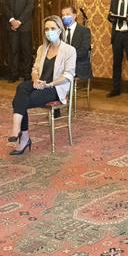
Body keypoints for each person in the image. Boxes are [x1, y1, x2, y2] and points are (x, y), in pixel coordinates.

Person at [8, 16, 76, 156]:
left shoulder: (69, 50)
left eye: (52, 28)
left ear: (60, 30)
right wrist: (35, 81)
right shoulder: (42, 49)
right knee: (21, 88)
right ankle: (18, 130)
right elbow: (35, 69)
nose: (49, 31)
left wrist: (50, 84)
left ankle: (22, 136)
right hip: (40, 84)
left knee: (20, 101)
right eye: (46, 29)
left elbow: (68, 76)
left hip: (54, 88)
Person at [0, 0, 35, 82]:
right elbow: (4, 4)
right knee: (12, 50)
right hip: (10, 24)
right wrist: (11, 20)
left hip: (24, 24)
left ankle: (27, 74)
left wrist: (19, 21)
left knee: (26, 50)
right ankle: (13, 74)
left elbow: (30, 5)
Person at [60, 5, 92, 84]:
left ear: (74, 16)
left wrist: (69, 59)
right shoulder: (60, 32)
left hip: (78, 65)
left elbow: (84, 50)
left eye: (67, 14)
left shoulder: (84, 31)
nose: (64, 17)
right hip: (62, 66)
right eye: (63, 15)